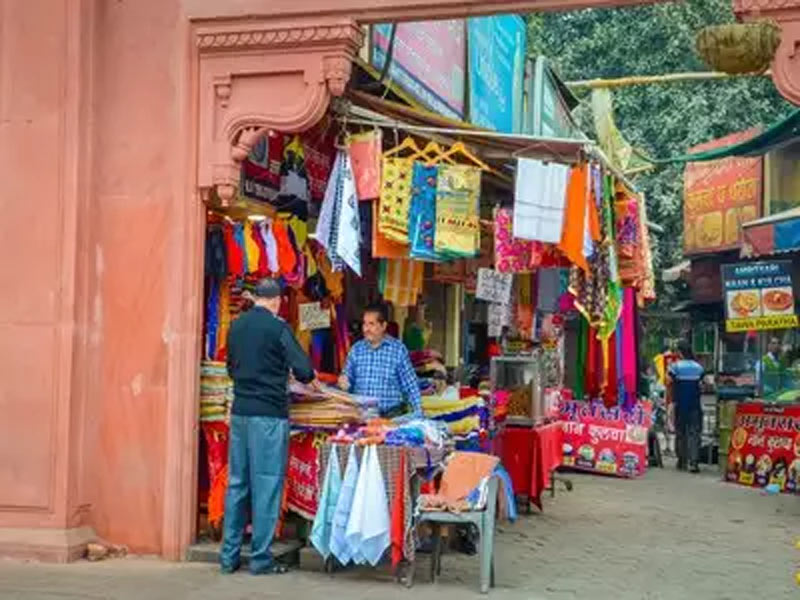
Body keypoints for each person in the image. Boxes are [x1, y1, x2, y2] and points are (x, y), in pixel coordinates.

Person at [221, 278, 316, 575]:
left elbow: (230, 368)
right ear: (276, 301)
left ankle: (228, 557)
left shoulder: (236, 326)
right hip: (269, 415)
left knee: (237, 483)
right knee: (266, 484)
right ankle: (260, 558)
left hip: (241, 413)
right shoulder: (278, 328)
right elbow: (305, 370)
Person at [338, 302, 423, 418]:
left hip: (392, 416)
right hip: (363, 416)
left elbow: (410, 385)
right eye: (364, 324)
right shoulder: (356, 350)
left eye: (371, 324)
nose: (366, 329)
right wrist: (343, 381)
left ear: (383, 326)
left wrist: (418, 413)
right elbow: (347, 379)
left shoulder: (398, 349)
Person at [667, 341, 704, 473]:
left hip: (680, 404)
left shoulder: (675, 367)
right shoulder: (698, 367)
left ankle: (682, 460)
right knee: (694, 433)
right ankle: (694, 462)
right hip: (695, 405)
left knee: (681, 432)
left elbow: (669, 382)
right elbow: (701, 384)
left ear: (679, 352)